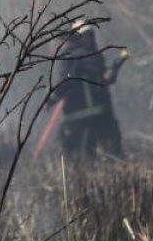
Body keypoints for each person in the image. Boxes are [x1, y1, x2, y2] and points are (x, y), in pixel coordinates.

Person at [51, 20, 125, 159]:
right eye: (87, 36)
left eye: (90, 36)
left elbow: (65, 82)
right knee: (106, 152)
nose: (89, 39)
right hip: (99, 112)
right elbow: (106, 79)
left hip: (78, 114)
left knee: (79, 155)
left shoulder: (70, 56)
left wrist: (52, 98)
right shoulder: (95, 56)